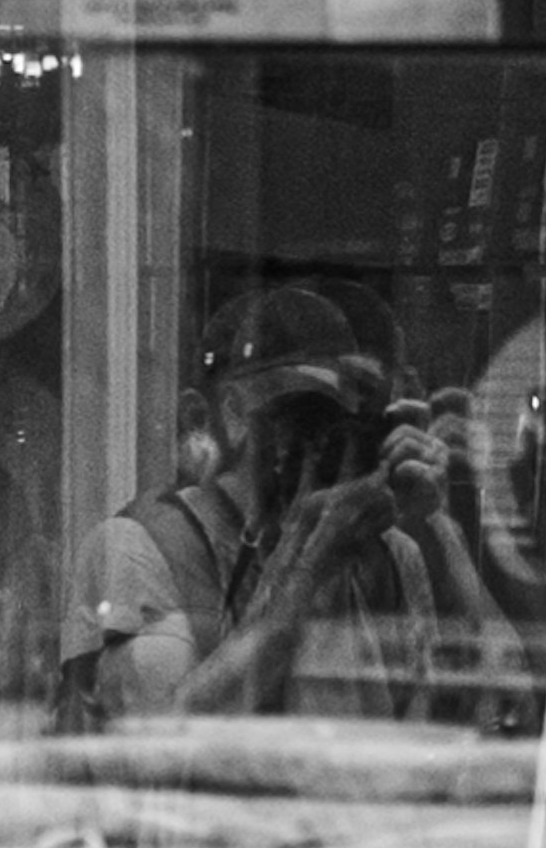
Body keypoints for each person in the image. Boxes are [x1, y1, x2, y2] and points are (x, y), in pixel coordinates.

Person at [60, 279, 497, 726]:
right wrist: (309, 565)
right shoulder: (145, 544)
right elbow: (153, 756)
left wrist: (438, 528)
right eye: (298, 411)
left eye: (340, 415)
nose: (315, 440)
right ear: (232, 415)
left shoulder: (388, 554)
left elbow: (495, 711)